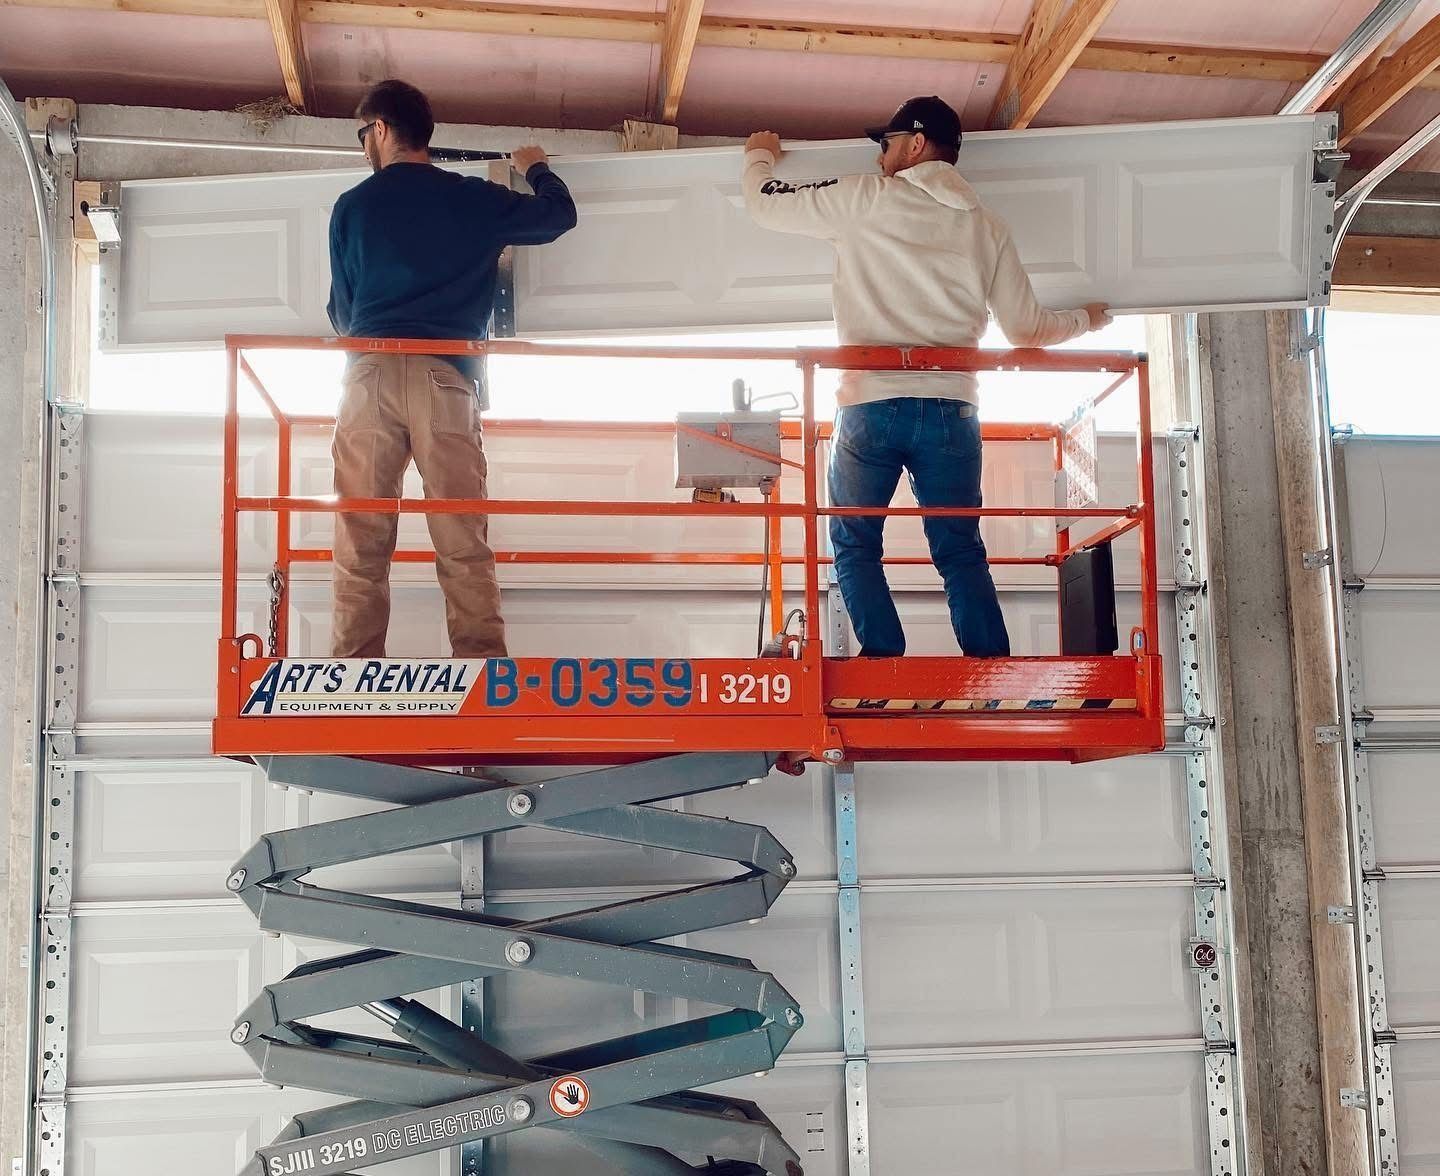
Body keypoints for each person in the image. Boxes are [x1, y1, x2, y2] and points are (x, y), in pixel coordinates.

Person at [742, 96, 1110, 658]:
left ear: (915, 144)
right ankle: (990, 672)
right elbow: (1026, 328)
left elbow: (765, 204)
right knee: (960, 549)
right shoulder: (986, 227)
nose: (878, 157)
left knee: (854, 544)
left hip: (870, 403)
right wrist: (1087, 319)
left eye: (885, 144)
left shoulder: (864, 199)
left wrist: (759, 157)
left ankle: (884, 662)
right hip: (951, 409)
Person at [326, 79, 578, 658]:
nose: (364, 147)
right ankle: (482, 668)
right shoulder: (471, 197)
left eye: (363, 135)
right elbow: (558, 216)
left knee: (361, 538)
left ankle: (353, 674)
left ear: (380, 130)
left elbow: (341, 311)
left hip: (370, 376)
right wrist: (536, 168)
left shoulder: (351, 206)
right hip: (445, 379)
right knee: (461, 536)